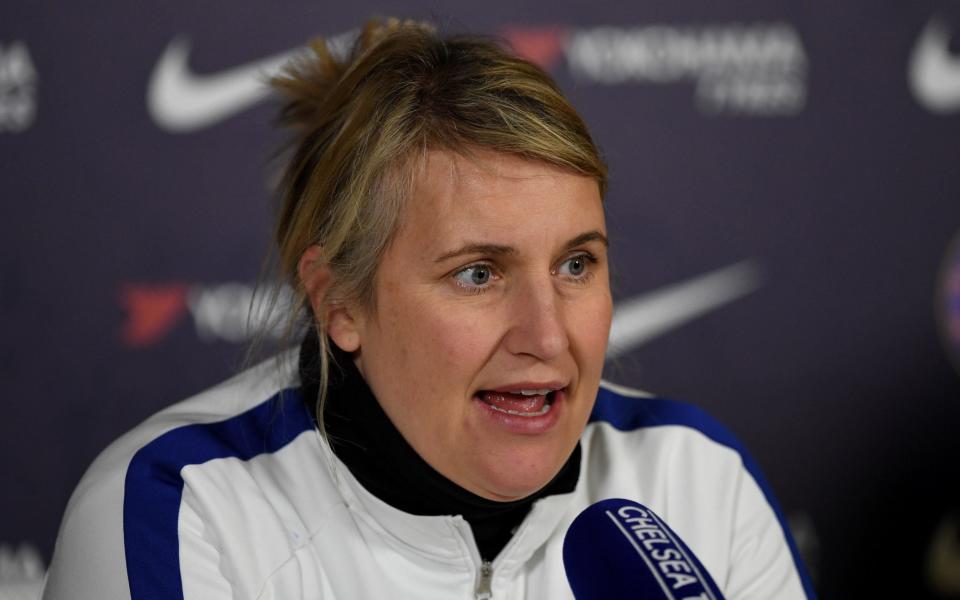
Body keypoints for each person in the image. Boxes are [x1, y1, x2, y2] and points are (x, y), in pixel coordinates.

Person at [42, 18, 814, 599]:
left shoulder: (696, 480)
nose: (547, 335)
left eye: (576, 264)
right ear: (339, 300)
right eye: (479, 273)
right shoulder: (179, 510)